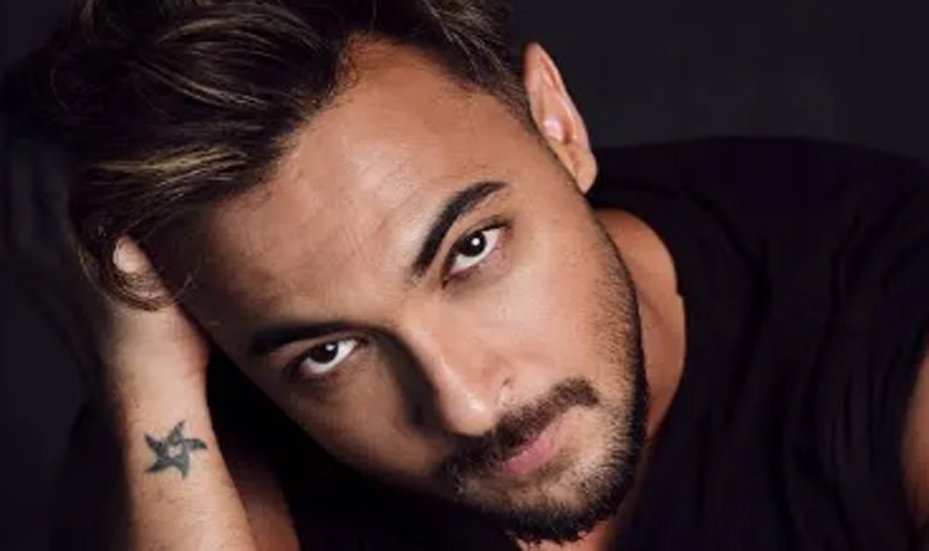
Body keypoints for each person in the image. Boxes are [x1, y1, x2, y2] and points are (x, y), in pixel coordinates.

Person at [8, 0, 929, 548]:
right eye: (329, 352)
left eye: (471, 251)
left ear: (555, 125)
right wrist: (145, 374)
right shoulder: (195, 435)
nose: (466, 405)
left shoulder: (884, 302)